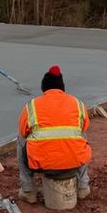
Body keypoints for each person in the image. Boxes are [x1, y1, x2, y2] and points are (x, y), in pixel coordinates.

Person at [17, 65, 92, 204]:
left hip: (42, 163)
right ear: (62, 88)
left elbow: (23, 131)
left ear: (43, 88)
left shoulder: (32, 106)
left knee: (21, 138)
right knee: (81, 135)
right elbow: (84, 126)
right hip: (73, 162)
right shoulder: (77, 104)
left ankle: (28, 190)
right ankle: (83, 186)